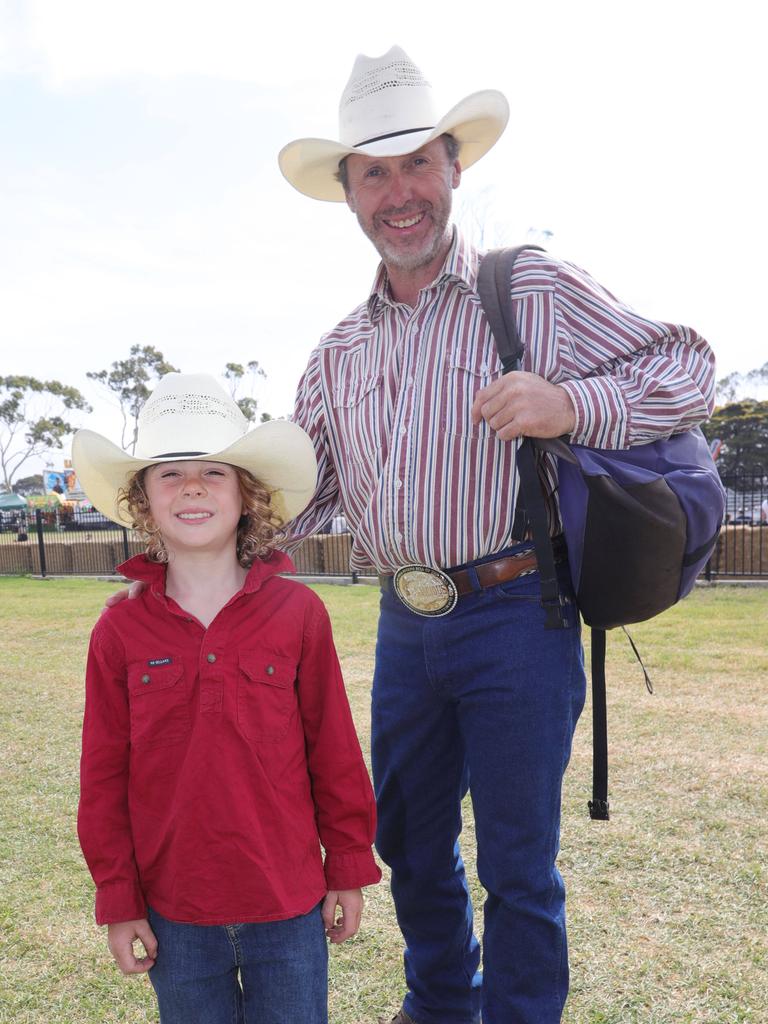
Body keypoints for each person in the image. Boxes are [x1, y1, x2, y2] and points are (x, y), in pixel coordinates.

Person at [277, 47, 717, 1024]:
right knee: (410, 840)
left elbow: (691, 369)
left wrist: (572, 401)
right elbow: (298, 502)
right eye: (373, 172)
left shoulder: (530, 292)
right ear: (347, 193)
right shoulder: (336, 352)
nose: (399, 192)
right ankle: (439, 1002)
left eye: (416, 164)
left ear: (454, 168)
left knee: (517, 861)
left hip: (521, 611)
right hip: (405, 626)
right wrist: (200, 548)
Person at [73, 372, 381, 1024]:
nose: (191, 486)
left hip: (289, 907)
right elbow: (102, 777)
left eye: (214, 472)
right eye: (168, 473)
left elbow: (334, 753)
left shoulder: (299, 613)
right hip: (174, 913)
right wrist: (119, 900)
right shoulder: (120, 629)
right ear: (143, 501)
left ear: (248, 495)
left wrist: (347, 867)